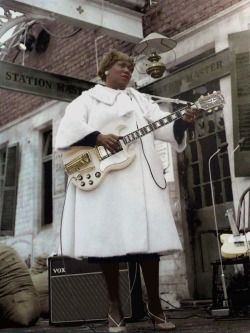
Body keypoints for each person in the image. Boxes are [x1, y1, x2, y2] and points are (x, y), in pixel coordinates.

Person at [55, 50, 199, 332]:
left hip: (141, 177)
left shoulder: (141, 100)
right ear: (105, 69)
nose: (127, 71)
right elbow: (68, 127)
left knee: (149, 241)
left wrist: (183, 121)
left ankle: (155, 307)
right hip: (107, 179)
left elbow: (163, 126)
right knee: (107, 243)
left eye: (131, 67)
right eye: (122, 65)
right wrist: (98, 136)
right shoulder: (88, 99)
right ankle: (114, 306)